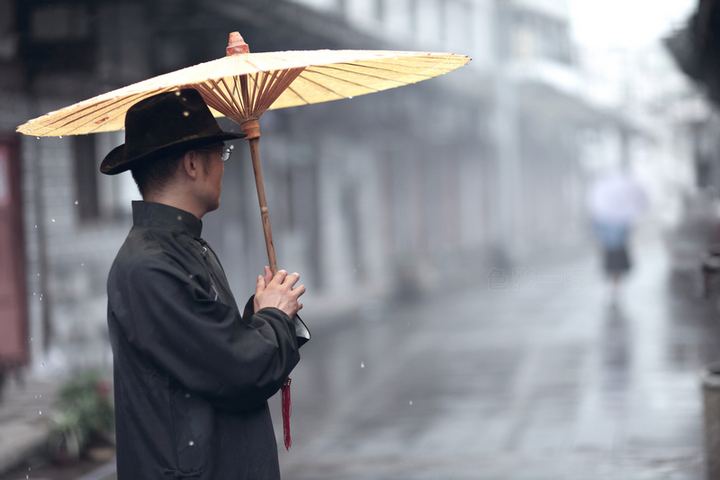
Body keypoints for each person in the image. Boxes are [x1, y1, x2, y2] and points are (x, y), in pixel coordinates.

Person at [101, 88, 310, 480]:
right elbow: (236, 370)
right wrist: (275, 317)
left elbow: (211, 348)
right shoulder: (150, 266)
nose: (224, 166)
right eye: (221, 155)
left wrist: (261, 313)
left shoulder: (179, 247)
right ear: (193, 163)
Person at [587, 166, 647, 302]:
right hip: (617, 243)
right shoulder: (622, 215)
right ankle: (615, 286)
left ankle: (613, 286)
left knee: (612, 263)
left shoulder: (602, 203)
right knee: (615, 264)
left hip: (611, 244)